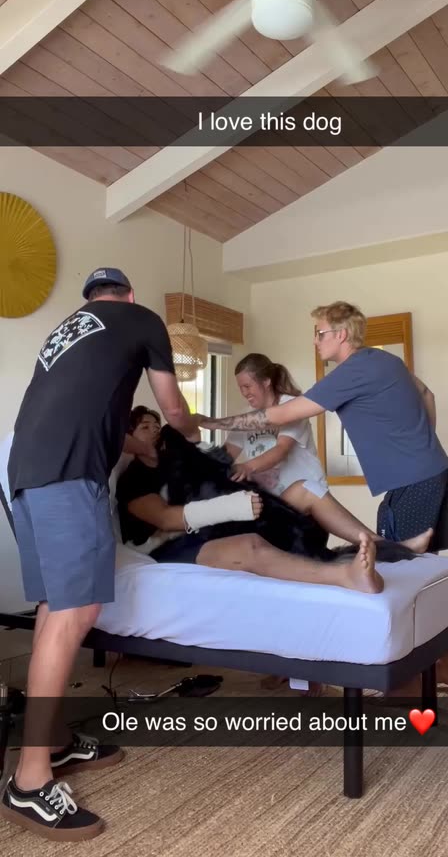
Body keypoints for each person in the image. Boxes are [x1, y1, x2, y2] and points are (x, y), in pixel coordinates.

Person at [2, 267, 200, 842]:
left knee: (54, 607)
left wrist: (137, 444)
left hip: (22, 475)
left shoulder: (68, 332)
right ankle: (29, 781)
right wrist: (195, 431)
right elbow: (175, 410)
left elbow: (97, 422)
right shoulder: (141, 320)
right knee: (75, 611)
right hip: (69, 477)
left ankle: (55, 741)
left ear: (90, 299)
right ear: (130, 296)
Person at [196, 301, 448, 690]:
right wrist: (421, 446)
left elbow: (280, 417)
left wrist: (213, 422)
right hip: (433, 470)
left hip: (414, 478)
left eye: (320, 333)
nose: (316, 341)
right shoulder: (384, 360)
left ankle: (406, 685)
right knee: (424, 571)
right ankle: (447, 667)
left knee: (401, 572)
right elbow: (428, 394)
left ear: (342, 334)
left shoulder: (352, 370)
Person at [115, 410, 385, 595]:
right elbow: (164, 519)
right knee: (248, 544)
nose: (154, 430)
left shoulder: (178, 465)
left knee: (304, 490)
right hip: (169, 548)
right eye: (144, 427)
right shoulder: (133, 478)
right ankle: (343, 576)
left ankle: (382, 545)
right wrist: (233, 507)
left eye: (156, 425)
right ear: (128, 438)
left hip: (205, 532)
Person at [225, 353, 431, 555]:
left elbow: (280, 450)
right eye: (240, 388)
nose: (244, 392)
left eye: (247, 386)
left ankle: (389, 548)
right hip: (270, 509)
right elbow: (224, 457)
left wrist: (247, 466)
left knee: (306, 488)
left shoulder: (290, 406)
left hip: (302, 506)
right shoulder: (246, 418)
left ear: (266, 382)